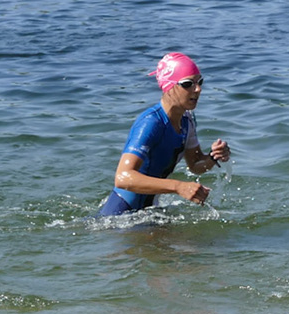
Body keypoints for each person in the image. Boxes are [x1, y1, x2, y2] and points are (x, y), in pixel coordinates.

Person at [97, 52, 231, 217]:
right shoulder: (150, 123)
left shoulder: (187, 120)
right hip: (120, 217)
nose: (198, 89)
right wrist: (178, 187)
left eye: (200, 82)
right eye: (188, 84)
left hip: (147, 213)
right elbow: (122, 178)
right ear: (169, 86)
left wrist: (213, 157)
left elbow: (195, 165)